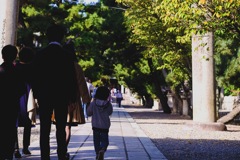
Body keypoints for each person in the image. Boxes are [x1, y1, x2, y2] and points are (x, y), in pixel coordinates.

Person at [31, 24, 77, 160]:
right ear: (62, 37)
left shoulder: (40, 54)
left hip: (45, 95)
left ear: (47, 36)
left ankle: (45, 156)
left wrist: (37, 94)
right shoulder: (67, 56)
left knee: (44, 128)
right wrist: (72, 97)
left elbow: (35, 77)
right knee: (61, 127)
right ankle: (61, 154)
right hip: (62, 95)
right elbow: (71, 78)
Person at [51, 40, 91, 157]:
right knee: (67, 126)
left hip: (57, 98)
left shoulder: (57, 64)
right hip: (72, 99)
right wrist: (86, 99)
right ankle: (63, 150)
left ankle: (60, 148)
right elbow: (81, 84)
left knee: (60, 126)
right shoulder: (76, 67)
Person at [0, 45, 24, 160]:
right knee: (10, 130)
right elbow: (22, 89)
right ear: (15, 56)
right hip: (12, 105)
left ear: (2, 56)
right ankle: (9, 154)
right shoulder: (17, 72)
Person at [14, 47, 37, 158]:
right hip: (29, 97)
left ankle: (15, 148)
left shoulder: (15, 67)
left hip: (16, 97)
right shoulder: (33, 69)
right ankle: (26, 147)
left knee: (14, 123)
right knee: (28, 123)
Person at [87, 86, 113, 160]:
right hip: (105, 126)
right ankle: (102, 149)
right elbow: (110, 112)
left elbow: (89, 113)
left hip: (95, 125)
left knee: (96, 141)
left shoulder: (93, 103)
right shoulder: (108, 104)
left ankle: (97, 153)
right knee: (105, 140)